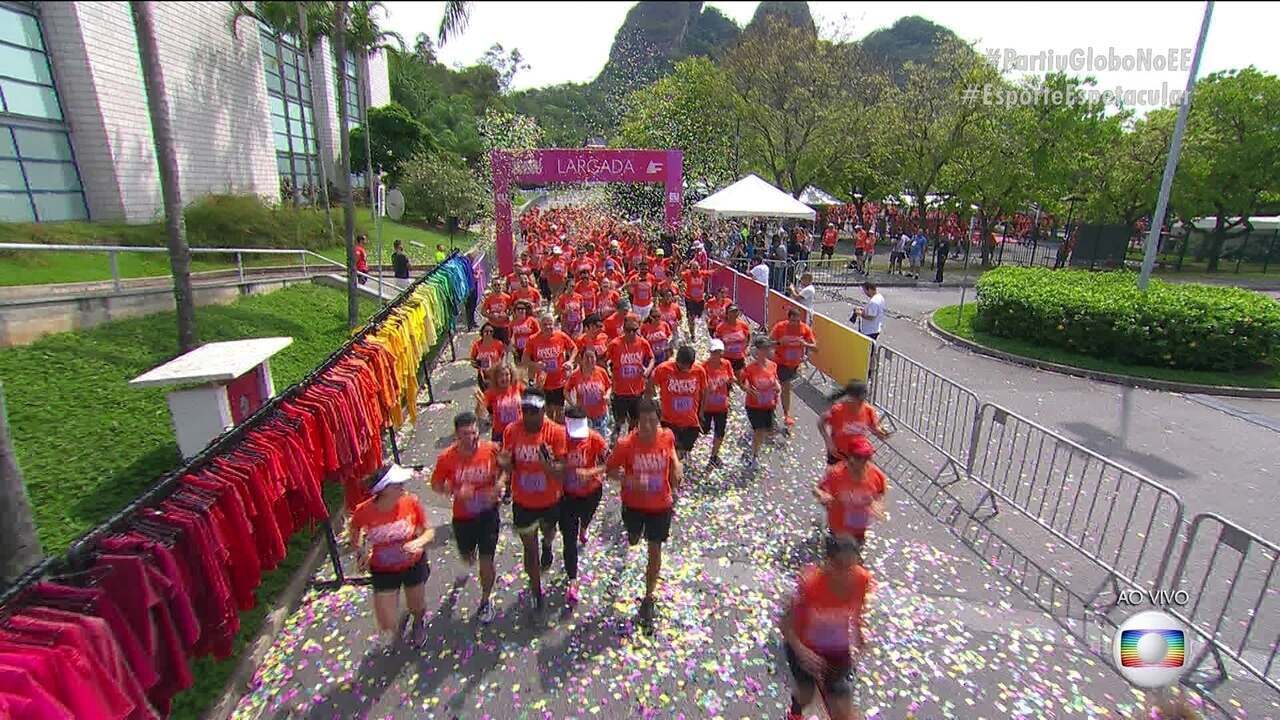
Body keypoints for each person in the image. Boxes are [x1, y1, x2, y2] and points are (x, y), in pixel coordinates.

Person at [606, 399, 683, 628]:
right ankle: (632, 534)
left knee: (655, 549)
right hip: (633, 505)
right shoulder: (625, 444)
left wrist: (677, 467)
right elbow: (610, 471)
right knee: (633, 538)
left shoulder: (667, 435)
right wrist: (629, 480)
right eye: (643, 421)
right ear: (637, 422)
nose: (648, 426)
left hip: (661, 505)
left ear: (659, 421)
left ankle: (649, 597)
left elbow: (671, 453)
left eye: (653, 421)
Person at [779, 533, 873, 720]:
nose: (846, 573)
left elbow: (855, 611)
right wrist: (803, 652)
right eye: (840, 566)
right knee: (806, 694)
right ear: (827, 562)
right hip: (804, 646)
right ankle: (795, 713)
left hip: (837, 650)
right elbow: (785, 624)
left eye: (851, 566)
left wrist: (859, 634)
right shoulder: (810, 584)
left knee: (843, 711)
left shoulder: (861, 580)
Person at [348, 463, 433, 648]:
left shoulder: (411, 502)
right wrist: (360, 550)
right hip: (383, 569)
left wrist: (417, 543)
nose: (403, 487)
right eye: (398, 484)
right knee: (387, 622)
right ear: (384, 489)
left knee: (417, 606)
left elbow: (428, 532)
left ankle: (418, 623)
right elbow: (355, 528)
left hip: (413, 564)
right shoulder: (364, 511)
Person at [498, 389, 568, 615]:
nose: (529, 416)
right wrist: (505, 465)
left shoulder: (556, 432)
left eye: (534, 411)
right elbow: (509, 466)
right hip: (523, 502)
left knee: (548, 533)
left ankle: (548, 545)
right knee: (530, 550)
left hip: (549, 501)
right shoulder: (511, 431)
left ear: (544, 410)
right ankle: (537, 591)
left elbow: (561, 473)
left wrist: (547, 465)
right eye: (525, 411)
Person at [430, 413, 503, 624]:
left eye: (474, 433)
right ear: (456, 435)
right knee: (467, 555)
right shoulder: (447, 458)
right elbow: (436, 485)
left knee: (486, 561)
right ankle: (468, 555)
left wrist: (499, 485)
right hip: (463, 517)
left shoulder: (490, 449)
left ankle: (485, 600)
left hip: (489, 514)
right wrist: (455, 490)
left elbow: (504, 469)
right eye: (465, 434)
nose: (471, 438)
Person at [560, 406, 609, 605]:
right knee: (568, 540)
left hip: (591, 493)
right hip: (567, 497)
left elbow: (610, 462)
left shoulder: (595, 438)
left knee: (585, 519)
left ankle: (585, 527)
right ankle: (572, 580)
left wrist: (590, 473)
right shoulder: (558, 438)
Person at [815, 436, 887, 543]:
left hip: (859, 527)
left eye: (867, 457)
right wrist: (822, 495)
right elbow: (817, 489)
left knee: (856, 551)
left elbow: (881, 493)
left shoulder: (877, 475)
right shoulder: (836, 474)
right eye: (859, 457)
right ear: (850, 458)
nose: (863, 462)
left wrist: (878, 505)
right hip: (838, 527)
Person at [651, 344, 706, 461]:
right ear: (677, 360)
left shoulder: (699, 371)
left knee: (682, 452)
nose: (685, 370)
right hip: (669, 421)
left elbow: (705, 391)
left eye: (688, 367)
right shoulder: (663, 369)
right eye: (682, 367)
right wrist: (654, 403)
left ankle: (677, 470)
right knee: (671, 454)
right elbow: (650, 384)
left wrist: (701, 412)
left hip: (691, 422)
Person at [606, 315, 656, 440]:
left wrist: (647, 370)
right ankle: (616, 439)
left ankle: (630, 441)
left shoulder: (642, 343)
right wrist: (608, 374)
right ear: (624, 329)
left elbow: (652, 358)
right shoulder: (615, 344)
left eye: (635, 330)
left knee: (635, 420)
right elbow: (603, 360)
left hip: (637, 390)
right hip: (620, 391)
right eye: (629, 330)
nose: (632, 333)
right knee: (620, 420)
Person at [523, 311, 577, 422]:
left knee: (560, 412)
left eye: (550, 324)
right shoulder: (533, 340)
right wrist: (535, 365)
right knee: (549, 413)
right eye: (545, 324)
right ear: (540, 325)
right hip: (544, 383)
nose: (548, 327)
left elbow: (574, 348)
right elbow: (524, 360)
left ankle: (559, 434)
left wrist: (570, 361)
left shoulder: (560, 335)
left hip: (560, 381)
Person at [818, 381, 890, 465]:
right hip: (838, 454)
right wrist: (828, 441)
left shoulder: (868, 410)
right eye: (858, 400)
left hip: (858, 455)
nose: (860, 404)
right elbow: (821, 423)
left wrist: (881, 433)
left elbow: (874, 427)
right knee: (835, 477)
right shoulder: (838, 410)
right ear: (850, 397)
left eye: (862, 400)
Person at [771, 306, 817, 427]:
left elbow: (815, 348)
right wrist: (780, 342)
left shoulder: (804, 328)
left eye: (798, 321)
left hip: (795, 365)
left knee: (781, 388)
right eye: (793, 321)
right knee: (785, 387)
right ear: (788, 319)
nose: (796, 323)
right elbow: (767, 343)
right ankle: (786, 415)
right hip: (781, 363)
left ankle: (773, 407)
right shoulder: (780, 327)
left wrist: (805, 344)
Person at [739, 337, 782, 466]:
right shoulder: (750, 368)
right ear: (757, 350)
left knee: (766, 431)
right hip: (753, 404)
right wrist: (749, 390)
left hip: (769, 403)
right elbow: (742, 383)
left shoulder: (773, 365)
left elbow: (775, 380)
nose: (767, 350)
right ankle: (755, 457)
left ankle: (755, 447)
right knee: (759, 430)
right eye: (764, 348)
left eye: (768, 348)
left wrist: (777, 386)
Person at [698, 339, 734, 468]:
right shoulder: (703, 367)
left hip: (721, 406)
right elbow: (699, 388)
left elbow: (730, 379)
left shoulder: (726, 364)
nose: (716, 355)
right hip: (706, 407)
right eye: (713, 352)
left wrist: (730, 381)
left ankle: (714, 456)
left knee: (720, 432)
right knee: (704, 430)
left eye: (718, 352)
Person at [565, 347, 612, 436]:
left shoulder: (601, 372)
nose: (589, 360)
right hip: (583, 417)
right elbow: (566, 391)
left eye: (592, 357)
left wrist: (607, 395)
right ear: (581, 359)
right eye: (586, 357)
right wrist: (573, 404)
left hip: (600, 416)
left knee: (599, 441)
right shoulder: (575, 375)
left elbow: (609, 386)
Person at [477, 363, 524, 444]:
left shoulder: (517, 387)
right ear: (496, 378)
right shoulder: (491, 393)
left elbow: (530, 399)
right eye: (501, 375)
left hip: (518, 431)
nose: (504, 378)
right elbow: (480, 414)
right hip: (500, 434)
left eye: (507, 374)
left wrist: (538, 387)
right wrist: (479, 404)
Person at [715, 304, 753, 373]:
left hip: (739, 357)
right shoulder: (721, 328)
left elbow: (748, 337)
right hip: (726, 358)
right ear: (727, 314)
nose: (734, 314)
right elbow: (717, 342)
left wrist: (746, 348)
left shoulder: (743, 325)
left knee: (740, 379)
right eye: (731, 311)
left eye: (736, 311)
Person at [679, 260, 712, 337]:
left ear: (699, 268)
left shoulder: (702, 274)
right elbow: (678, 275)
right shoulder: (687, 274)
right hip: (690, 299)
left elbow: (714, 272)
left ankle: (699, 331)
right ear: (690, 268)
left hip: (700, 300)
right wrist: (683, 266)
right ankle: (692, 334)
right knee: (691, 317)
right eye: (693, 268)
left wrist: (724, 266)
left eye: (696, 268)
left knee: (700, 318)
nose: (695, 269)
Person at [469, 323, 506, 390]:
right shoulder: (477, 345)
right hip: (483, 375)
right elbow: (472, 360)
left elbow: (502, 356)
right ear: (482, 333)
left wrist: (500, 366)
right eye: (486, 332)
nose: (489, 333)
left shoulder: (498, 344)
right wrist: (477, 364)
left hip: (495, 374)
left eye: (491, 331)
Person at [481, 280, 513, 345]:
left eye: (498, 285)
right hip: (493, 325)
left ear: (501, 285)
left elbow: (512, 310)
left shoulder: (507, 297)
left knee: (506, 345)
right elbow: (483, 311)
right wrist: (491, 315)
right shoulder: (489, 298)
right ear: (492, 287)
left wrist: (506, 315)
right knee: (494, 345)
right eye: (495, 285)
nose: (497, 286)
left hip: (504, 326)